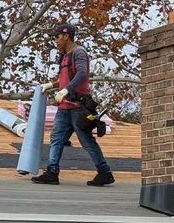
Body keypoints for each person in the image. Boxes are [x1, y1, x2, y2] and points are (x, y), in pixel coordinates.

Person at [31, 22, 115, 187]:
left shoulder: (79, 52)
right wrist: (52, 85)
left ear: (66, 36)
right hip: (64, 108)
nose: (56, 40)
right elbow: (64, 79)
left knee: (86, 141)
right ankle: (52, 172)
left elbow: (82, 73)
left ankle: (104, 172)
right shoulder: (64, 56)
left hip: (78, 107)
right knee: (56, 138)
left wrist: (66, 91)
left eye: (57, 37)